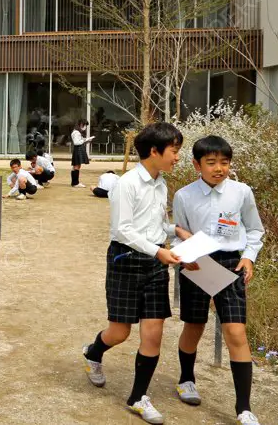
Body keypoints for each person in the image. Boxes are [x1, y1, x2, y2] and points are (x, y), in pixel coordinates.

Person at [81, 122, 183, 425]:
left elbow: (154, 223)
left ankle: (138, 397)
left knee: (153, 332)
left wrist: (176, 230)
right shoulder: (127, 184)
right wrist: (158, 251)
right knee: (120, 332)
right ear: (154, 151)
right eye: (174, 151)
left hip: (154, 264)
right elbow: (123, 230)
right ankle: (93, 352)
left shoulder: (161, 182)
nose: (177, 157)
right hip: (126, 260)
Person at [171, 135, 264, 425]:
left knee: (236, 332)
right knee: (194, 325)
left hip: (231, 264)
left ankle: (244, 407)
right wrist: (183, 255)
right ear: (196, 164)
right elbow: (178, 232)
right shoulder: (184, 195)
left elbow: (254, 229)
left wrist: (249, 256)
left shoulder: (241, 192)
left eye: (224, 162)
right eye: (211, 163)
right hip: (197, 264)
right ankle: (186, 379)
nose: (219, 168)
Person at [71, 119, 95, 188]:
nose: (85, 127)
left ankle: (74, 182)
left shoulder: (77, 132)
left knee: (76, 166)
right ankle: (75, 183)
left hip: (78, 149)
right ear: (81, 124)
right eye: (85, 125)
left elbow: (79, 140)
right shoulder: (76, 132)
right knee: (77, 166)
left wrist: (86, 139)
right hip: (78, 149)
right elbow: (76, 142)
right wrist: (86, 140)